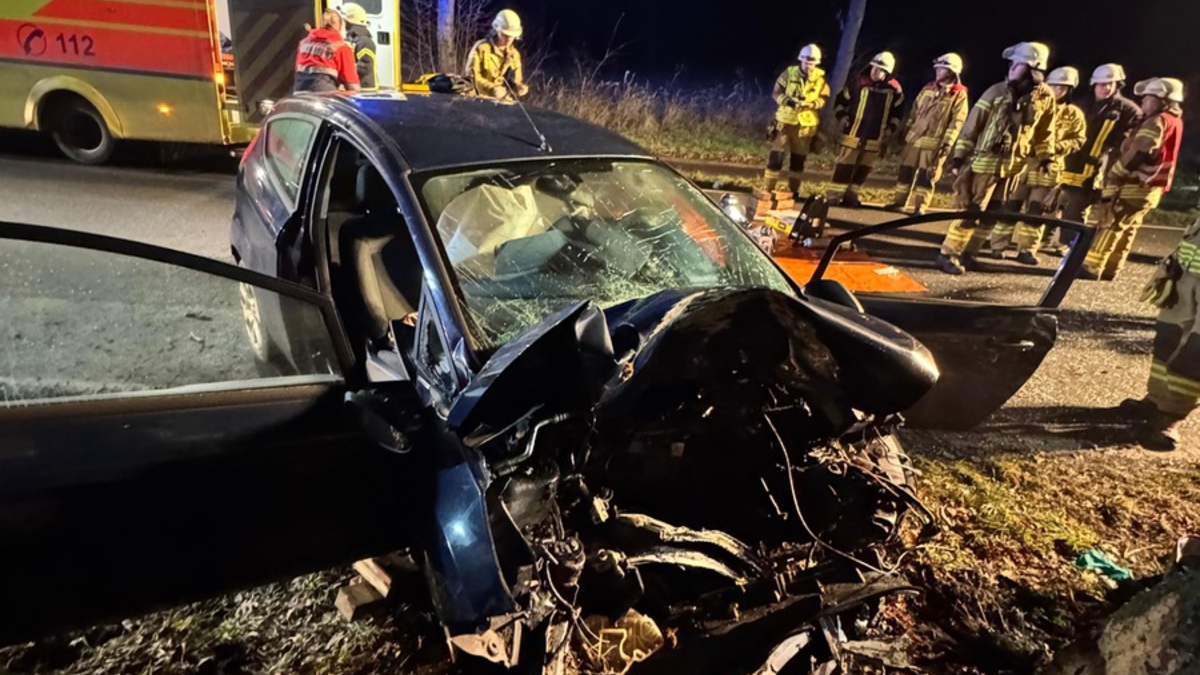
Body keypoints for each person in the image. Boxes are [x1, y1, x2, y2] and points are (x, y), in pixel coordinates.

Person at [934, 42, 1057, 276]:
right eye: (1012, 63)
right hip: (984, 164)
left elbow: (1045, 133)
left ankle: (968, 254)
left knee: (993, 214)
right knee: (971, 212)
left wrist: (1046, 159)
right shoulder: (996, 92)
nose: (1011, 67)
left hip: (1013, 167)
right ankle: (947, 254)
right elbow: (972, 126)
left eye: (1018, 64)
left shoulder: (1045, 97)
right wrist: (958, 158)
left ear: (1033, 68)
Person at [1080, 77, 1185, 281]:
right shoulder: (1174, 120)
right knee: (1127, 228)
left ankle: (1092, 266)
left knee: (1111, 223)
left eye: (1148, 97)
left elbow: (1142, 150)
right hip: (1151, 189)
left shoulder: (1157, 120)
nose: (1143, 101)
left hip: (1136, 184)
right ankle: (1111, 268)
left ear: (1162, 99)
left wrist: (1116, 172)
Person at [989, 66, 1087, 265]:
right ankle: (997, 246)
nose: (1057, 91)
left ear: (1069, 91)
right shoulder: (1034, 104)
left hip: (1047, 170)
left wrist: (1057, 147)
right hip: (1023, 166)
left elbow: (1078, 139)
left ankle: (1027, 250)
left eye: (1063, 88)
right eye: (1054, 86)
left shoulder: (1073, 114)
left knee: (1036, 212)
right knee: (1010, 207)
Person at [1118, 216, 1200, 451]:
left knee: (1195, 352)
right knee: (1168, 336)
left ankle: (1171, 417)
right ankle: (1156, 400)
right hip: (1186, 274)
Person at [1042, 64, 1141, 256]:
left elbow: (1128, 141)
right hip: (1069, 161)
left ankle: (1071, 244)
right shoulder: (1082, 103)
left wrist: (1111, 160)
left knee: (1076, 205)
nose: (1106, 88)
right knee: (1053, 202)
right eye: (1102, 84)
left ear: (1117, 85)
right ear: (1094, 84)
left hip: (1094, 167)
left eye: (1110, 84)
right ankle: (1046, 239)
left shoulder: (1127, 109)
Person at [889, 53, 969, 214]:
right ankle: (899, 202)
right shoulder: (927, 88)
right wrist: (906, 130)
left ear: (952, 72)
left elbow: (957, 121)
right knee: (905, 172)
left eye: (942, 69)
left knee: (926, 177)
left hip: (934, 143)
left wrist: (947, 144)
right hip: (914, 140)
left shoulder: (958, 94)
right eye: (937, 69)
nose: (938, 72)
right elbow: (914, 111)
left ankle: (921, 207)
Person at [829, 52, 904, 207]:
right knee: (844, 167)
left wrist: (890, 129)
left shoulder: (894, 89)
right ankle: (833, 196)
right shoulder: (858, 82)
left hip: (875, 137)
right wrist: (843, 118)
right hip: (852, 134)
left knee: (863, 169)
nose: (876, 72)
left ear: (887, 72)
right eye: (874, 68)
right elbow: (840, 102)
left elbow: (898, 113)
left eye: (880, 70)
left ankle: (851, 197)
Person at [762, 44, 830, 196]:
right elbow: (776, 93)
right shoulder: (789, 73)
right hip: (784, 123)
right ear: (801, 60)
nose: (808, 66)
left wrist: (812, 104)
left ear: (816, 63)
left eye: (812, 64)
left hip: (805, 126)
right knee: (776, 157)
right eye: (806, 63)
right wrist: (789, 102)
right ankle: (768, 188)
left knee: (798, 160)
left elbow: (824, 98)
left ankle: (793, 190)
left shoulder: (820, 79)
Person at [467, 9, 528, 100]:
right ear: (497, 31)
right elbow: (471, 77)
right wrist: (491, 89)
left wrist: (519, 88)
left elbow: (517, 81)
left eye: (511, 36)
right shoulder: (482, 48)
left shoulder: (514, 55)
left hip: (503, 101)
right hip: (479, 99)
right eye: (505, 35)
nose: (508, 39)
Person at [294, 9, 360, 93]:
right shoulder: (342, 47)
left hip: (299, 92)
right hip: (324, 95)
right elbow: (352, 86)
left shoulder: (303, 43)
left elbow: (298, 69)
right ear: (340, 25)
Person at [340, 3, 378, 91]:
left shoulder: (365, 42)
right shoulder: (351, 39)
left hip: (365, 89)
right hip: (354, 86)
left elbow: (364, 67)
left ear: (348, 22)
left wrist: (344, 74)